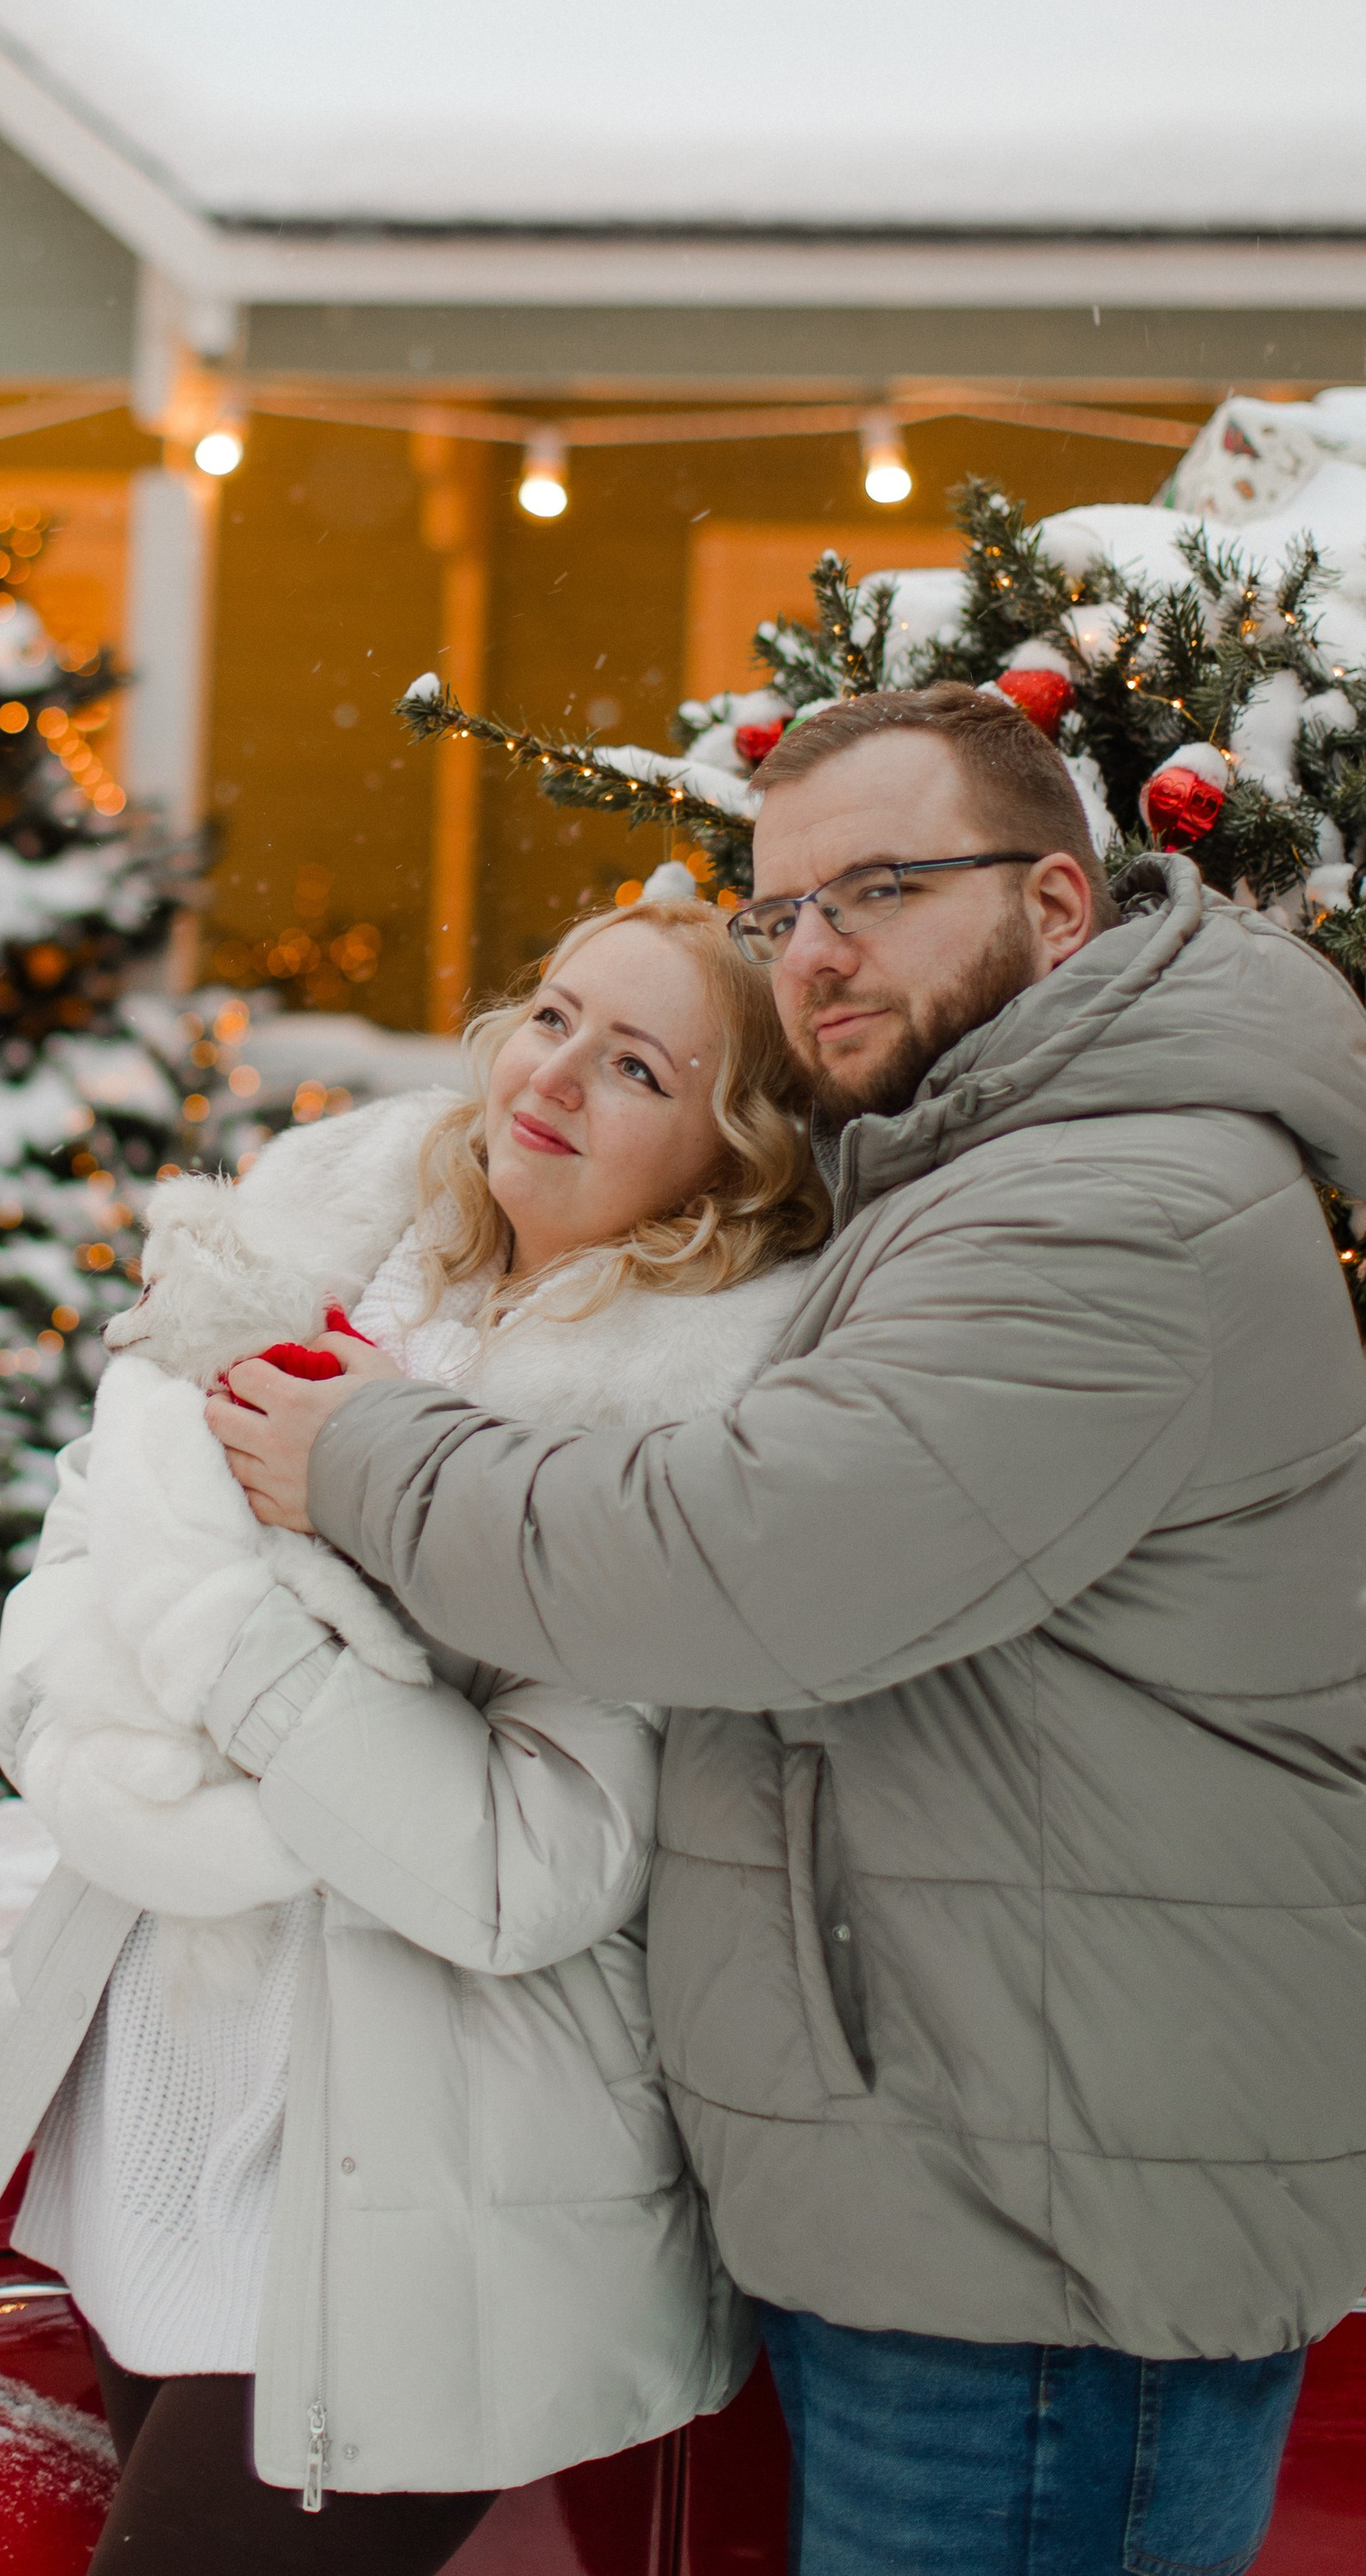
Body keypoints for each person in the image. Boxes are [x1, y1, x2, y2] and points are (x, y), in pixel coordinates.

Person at [214, 684, 1366, 2576]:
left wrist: (368, 1457)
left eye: (881, 889)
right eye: (783, 910)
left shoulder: (1114, 1204)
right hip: (970, 2179)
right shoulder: (985, 1172)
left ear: (1056, 911)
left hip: (1039, 2251)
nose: (814, 955)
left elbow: (736, 1563)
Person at [0, 897, 830, 2572]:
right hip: (174, 2109)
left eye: (635, 1063)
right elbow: (63, 1595)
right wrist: (156, 1737)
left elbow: (523, 1869)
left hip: (409, 2189)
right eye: (552, 1014)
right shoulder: (328, 1271)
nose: (553, 1075)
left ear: (732, 1158)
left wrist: (220, 1647)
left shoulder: (667, 1454)